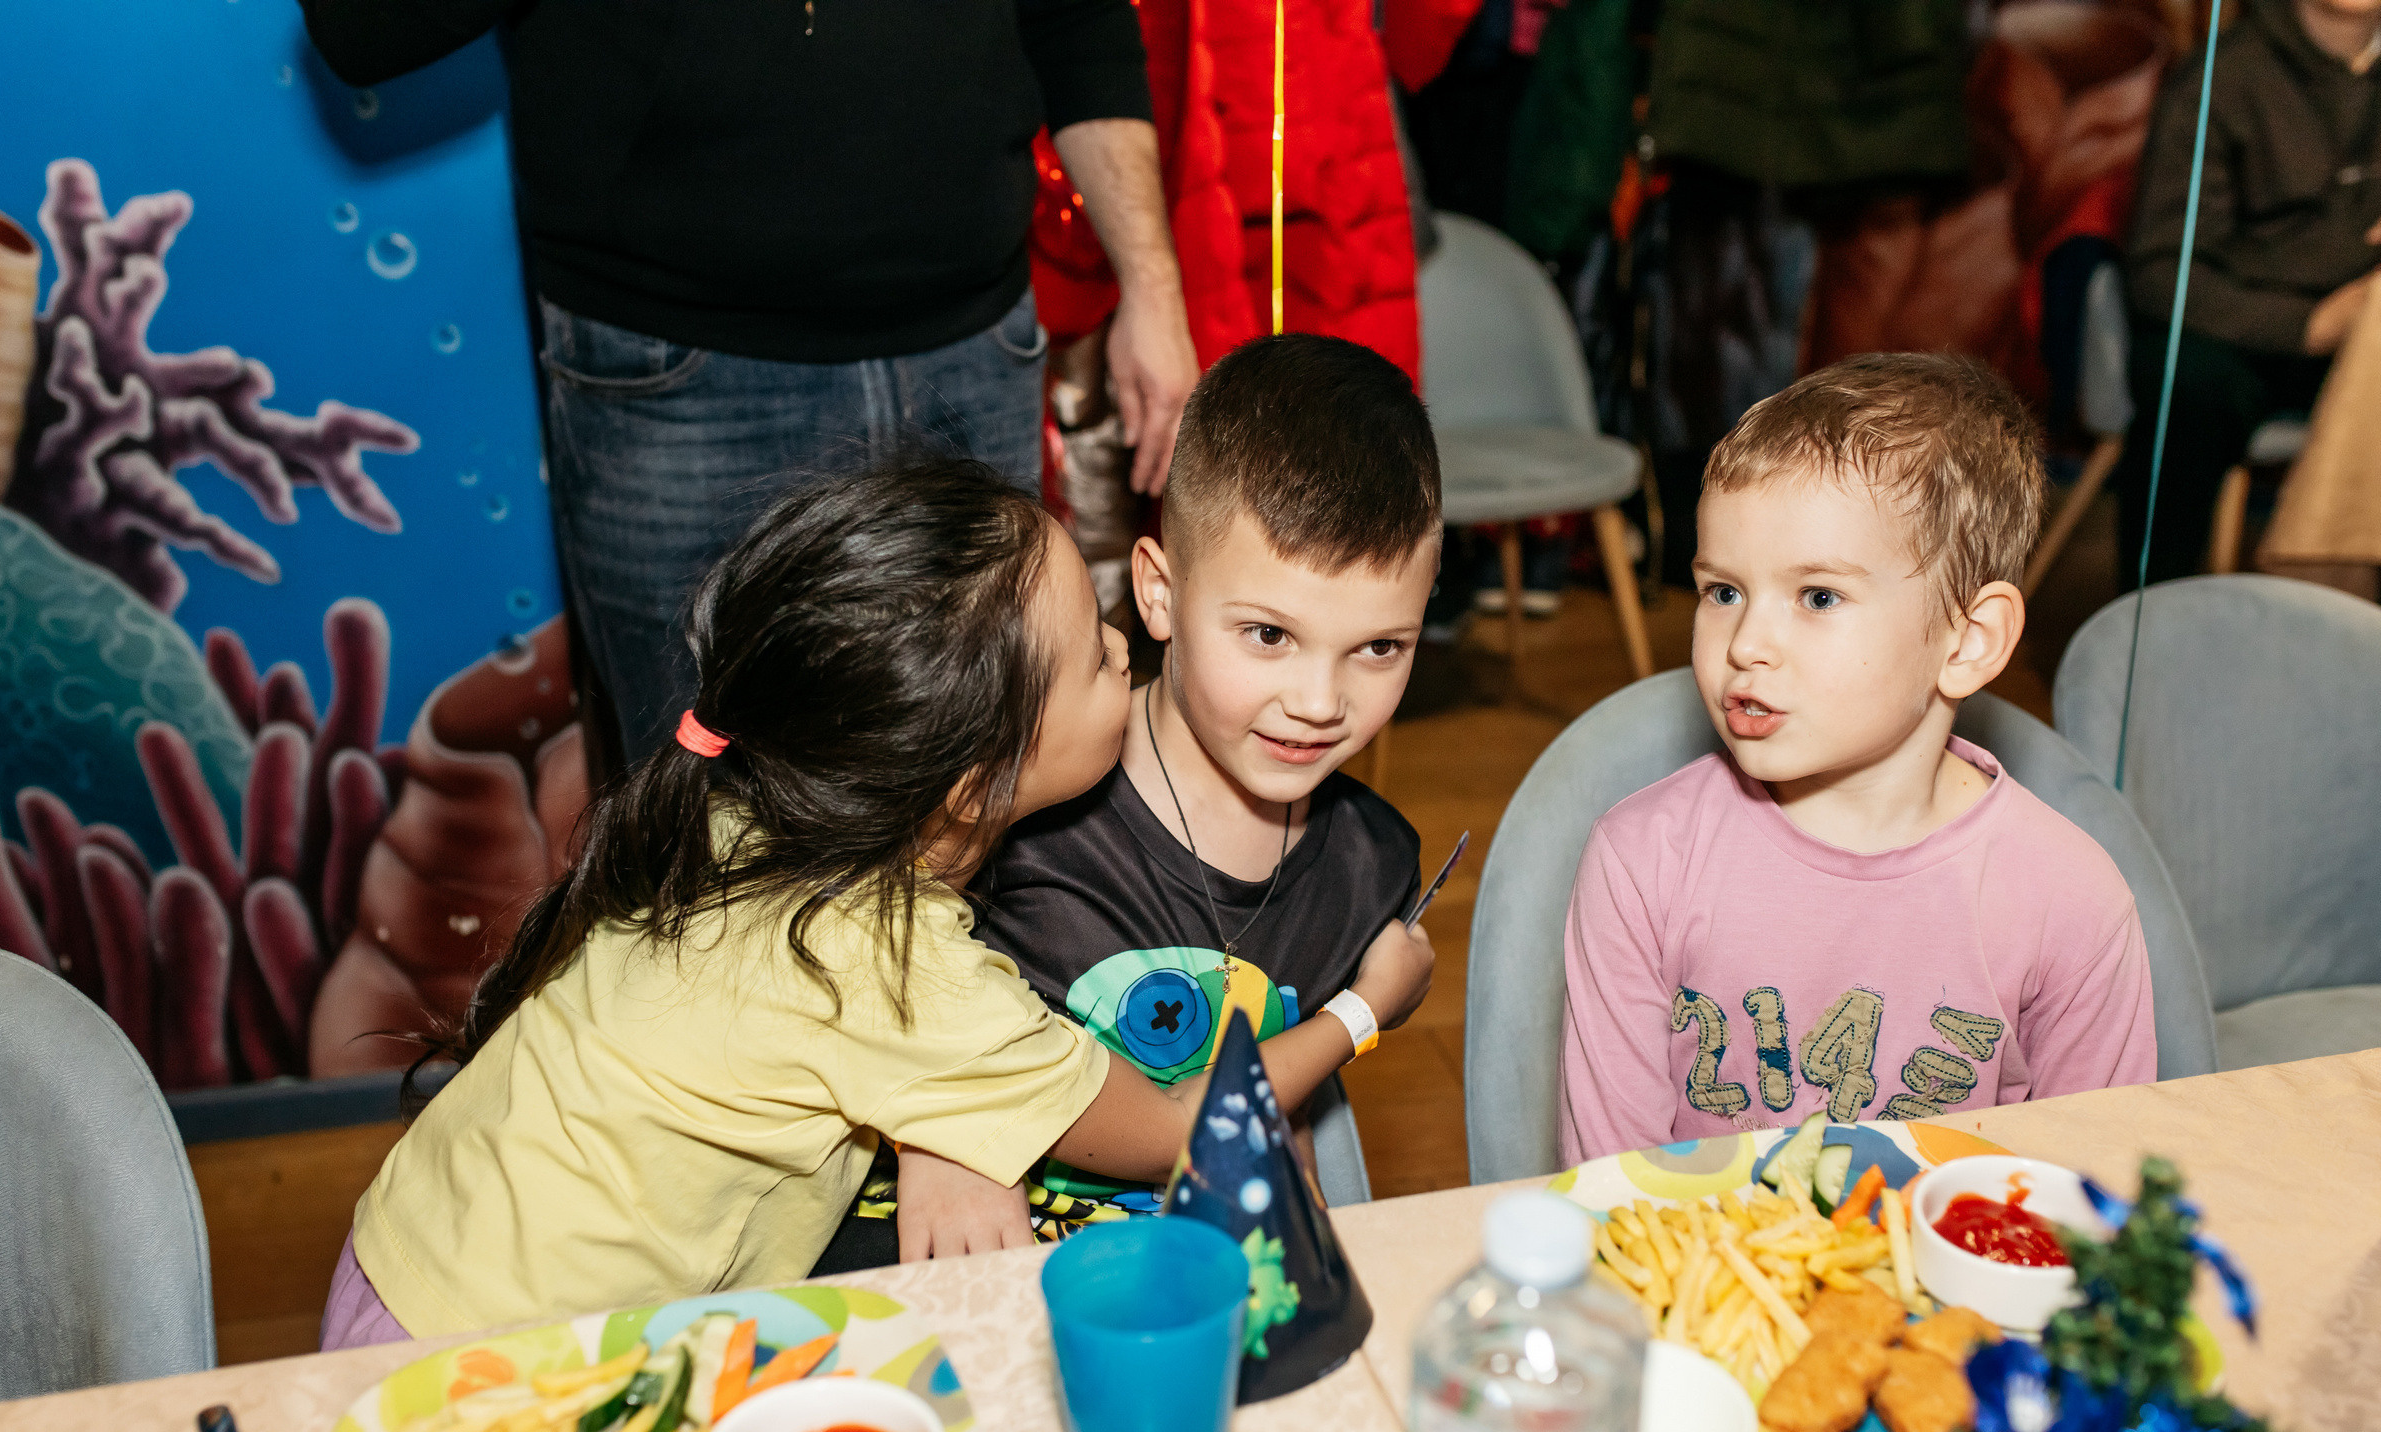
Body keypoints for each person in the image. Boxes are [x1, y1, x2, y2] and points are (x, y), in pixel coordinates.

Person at [318, 462, 1432, 1345]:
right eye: (1093, 662)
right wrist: (1364, 1011)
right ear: (976, 786)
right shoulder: (896, 967)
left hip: (411, 1248)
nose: (1118, 645)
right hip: (491, 1350)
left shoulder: (756, 799)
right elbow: (1183, 1126)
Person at [298, 0, 1202, 767]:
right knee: (702, 842)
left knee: (993, 790)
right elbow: (362, 29)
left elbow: (1077, 22)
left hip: (971, 354)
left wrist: (1154, 288)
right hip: (681, 384)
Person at [828, 336, 1441, 1262]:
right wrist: (934, 1131)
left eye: (1379, 648)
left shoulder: (1373, 867)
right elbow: (845, 944)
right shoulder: (1034, 785)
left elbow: (1281, 1102)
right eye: (1269, 635)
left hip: (1176, 1280)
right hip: (946, 1262)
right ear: (1159, 593)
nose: (1320, 702)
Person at [1558, 355, 2158, 1163]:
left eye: (1818, 597)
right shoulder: (1641, 863)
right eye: (1724, 592)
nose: (1747, 644)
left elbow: (2089, 1188)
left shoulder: (2072, 902)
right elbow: (1611, 1192)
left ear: (1968, 641)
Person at [2117, 0, 2381, 586]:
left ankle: (2347, 614)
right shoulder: (2222, 76)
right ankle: (2152, 615)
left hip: (2365, 335)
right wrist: (2308, 325)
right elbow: (2161, 270)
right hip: (2236, 327)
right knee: (2186, 384)